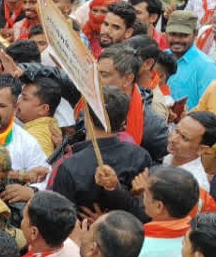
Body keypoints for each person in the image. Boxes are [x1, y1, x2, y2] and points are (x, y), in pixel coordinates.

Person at [50, 86, 152, 216]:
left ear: (88, 117)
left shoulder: (69, 167)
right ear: (123, 122)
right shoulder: (140, 156)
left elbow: (59, 218)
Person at [166, 10, 216, 110]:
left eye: (184, 35)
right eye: (173, 34)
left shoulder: (207, 67)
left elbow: (209, 110)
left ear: (195, 33)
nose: (177, 40)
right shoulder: (160, 57)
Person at [15, 64, 66, 157]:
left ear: (43, 109)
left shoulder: (35, 138)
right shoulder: (48, 127)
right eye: (20, 96)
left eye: (24, 98)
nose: (17, 102)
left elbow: (38, 171)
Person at [165, 110, 216, 190]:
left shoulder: (195, 185)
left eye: (184, 138)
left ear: (202, 149)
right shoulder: (170, 155)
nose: (173, 139)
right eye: (176, 130)